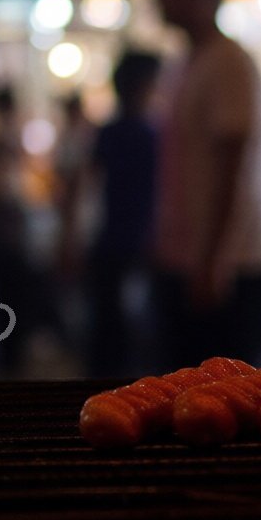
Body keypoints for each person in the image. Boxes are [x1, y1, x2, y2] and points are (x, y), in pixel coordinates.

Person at [149, 0, 261, 367]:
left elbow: (234, 163)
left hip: (235, 265)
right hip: (207, 260)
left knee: (222, 399)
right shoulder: (190, 61)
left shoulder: (227, 61)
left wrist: (213, 262)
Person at [84, 52, 161, 375]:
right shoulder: (153, 136)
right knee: (139, 335)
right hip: (143, 243)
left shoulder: (109, 132)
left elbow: (87, 188)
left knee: (108, 330)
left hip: (111, 240)